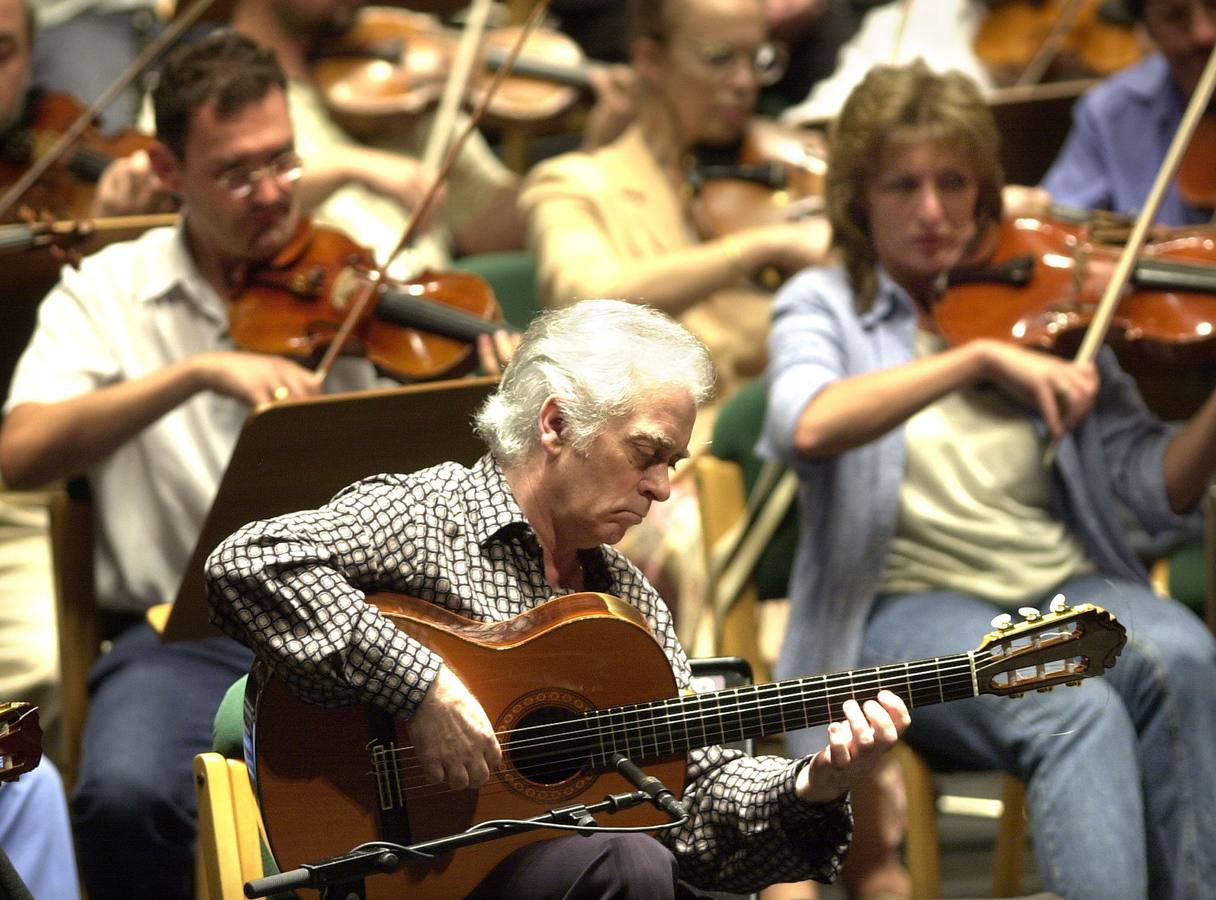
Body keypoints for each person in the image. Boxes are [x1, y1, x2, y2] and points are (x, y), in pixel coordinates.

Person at [204, 298, 910, 897]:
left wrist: (812, 784)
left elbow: (692, 811)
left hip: (567, 878)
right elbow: (248, 562)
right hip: (407, 874)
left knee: (642, 864)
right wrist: (420, 689)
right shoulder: (428, 517)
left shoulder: (624, 600)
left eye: (673, 463)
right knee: (630, 866)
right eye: (647, 453)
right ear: (555, 424)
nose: (663, 487)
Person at [760, 59, 1216, 900]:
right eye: (903, 185)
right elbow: (806, 423)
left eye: (953, 183)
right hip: (894, 607)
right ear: (859, 196)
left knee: (1188, 654)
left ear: (985, 194)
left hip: (1056, 577)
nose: (931, 211)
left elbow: (1155, 489)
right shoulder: (825, 303)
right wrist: (971, 359)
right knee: (1070, 704)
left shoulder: (1043, 305)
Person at [0, 31, 401, 899]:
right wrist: (191, 374)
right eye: (237, 174)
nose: (273, 196)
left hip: (370, 620)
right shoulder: (106, 292)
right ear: (168, 169)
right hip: (182, 635)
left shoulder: (352, 270)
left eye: (285, 163)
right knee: (123, 796)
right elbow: (20, 451)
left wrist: (491, 365)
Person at [519, 0, 830, 412]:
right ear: (651, 59)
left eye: (758, 59)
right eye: (719, 58)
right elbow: (588, 299)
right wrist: (761, 247)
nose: (745, 81)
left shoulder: (790, 166)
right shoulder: (574, 184)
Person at [230, 0, 524, 276]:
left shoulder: (399, 78)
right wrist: (348, 165)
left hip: (435, 301)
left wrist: (553, 192)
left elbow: (479, 220)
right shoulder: (224, 93)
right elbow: (232, 207)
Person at [1042, 0, 1216, 226]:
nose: (1204, 34)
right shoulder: (1109, 111)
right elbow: (1057, 222)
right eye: (1174, 16)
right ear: (1149, 30)